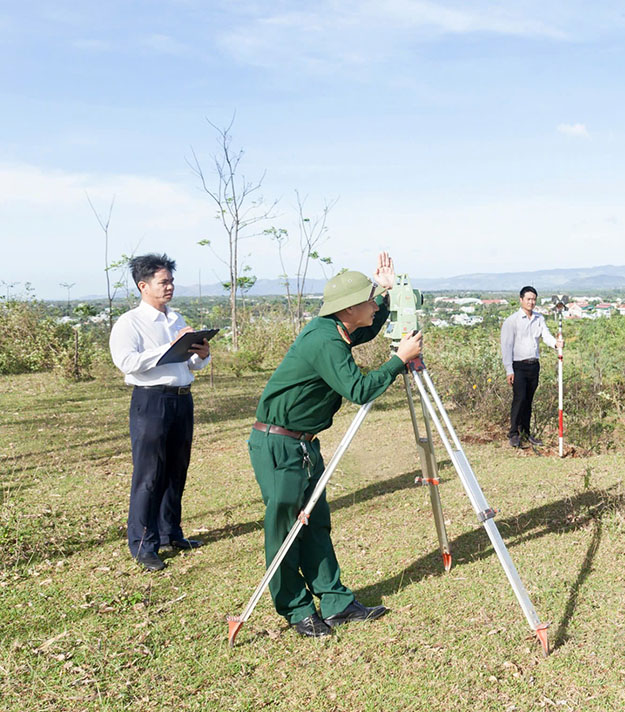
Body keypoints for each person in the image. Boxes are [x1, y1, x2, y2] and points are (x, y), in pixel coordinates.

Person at [248, 252, 422, 638]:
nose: (374, 305)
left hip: (304, 444)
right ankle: (295, 609)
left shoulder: (337, 330)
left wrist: (388, 291)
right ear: (347, 309)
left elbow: (368, 329)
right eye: (369, 299)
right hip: (278, 444)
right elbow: (360, 390)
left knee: (316, 524)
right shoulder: (325, 341)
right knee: (287, 529)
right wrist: (398, 360)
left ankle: (336, 602)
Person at [109, 253, 212, 572]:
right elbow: (126, 362)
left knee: (177, 469)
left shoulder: (176, 319)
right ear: (143, 286)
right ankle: (143, 543)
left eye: (171, 281)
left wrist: (201, 354)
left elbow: (188, 362)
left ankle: (170, 533)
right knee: (149, 474)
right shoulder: (130, 323)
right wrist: (168, 350)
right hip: (151, 401)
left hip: (182, 398)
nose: (170, 287)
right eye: (163, 282)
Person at [499, 286, 563, 449]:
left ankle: (526, 433)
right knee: (519, 399)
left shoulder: (539, 318)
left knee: (529, 400)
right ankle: (513, 433)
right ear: (521, 300)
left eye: (533, 299)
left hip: (534, 365)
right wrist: (509, 370)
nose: (531, 302)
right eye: (528, 299)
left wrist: (556, 344)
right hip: (518, 366)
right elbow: (506, 347)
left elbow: (546, 335)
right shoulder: (511, 321)